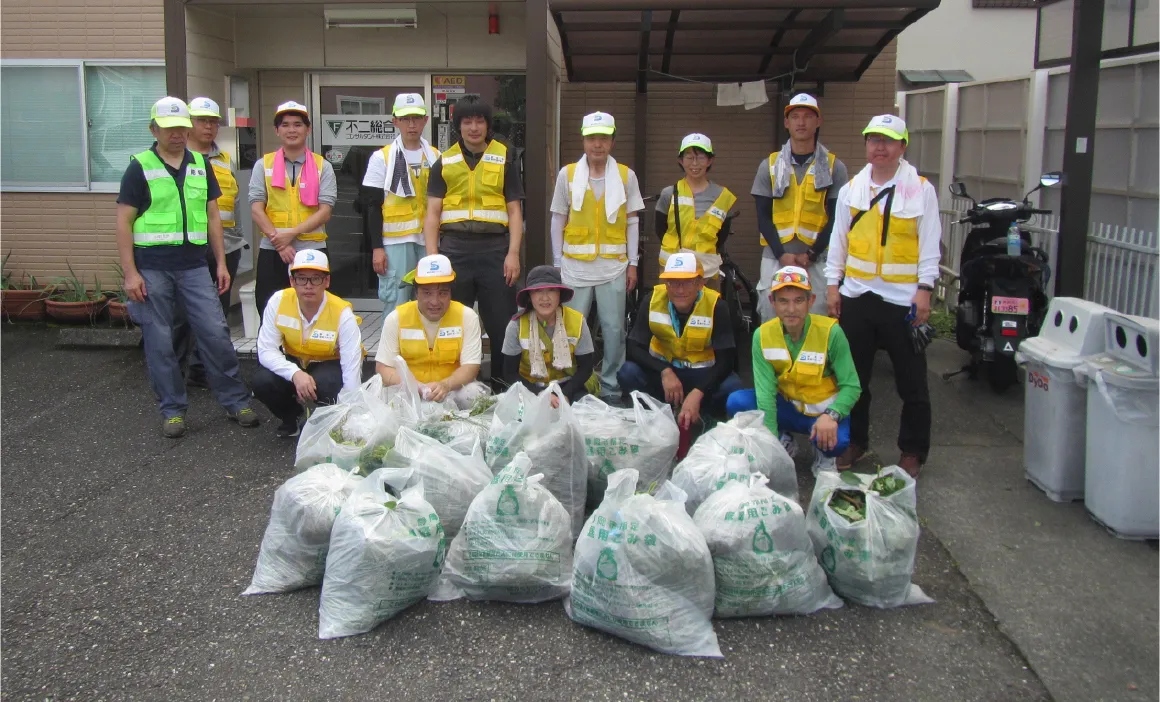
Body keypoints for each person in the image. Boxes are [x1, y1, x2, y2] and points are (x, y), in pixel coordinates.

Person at [115, 96, 259, 438]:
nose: (176, 134)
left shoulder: (199, 163)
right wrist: (130, 272)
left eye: (181, 127)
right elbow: (123, 222)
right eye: (169, 128)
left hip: (195, 265)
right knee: (160, 340)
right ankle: (173, 410)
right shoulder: (140, 166)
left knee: (215, 332)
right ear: (154, 130)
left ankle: (236, 400)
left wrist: (222, 263)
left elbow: (212, 216)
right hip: (152, 267)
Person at [825, 114, 941, 478]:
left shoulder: (921, 189)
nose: (879, 146)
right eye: (873, 139)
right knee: (853, 377)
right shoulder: (852, 189)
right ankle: (856, 441)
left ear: (902, 146)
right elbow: (838, 241)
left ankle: (912, 450)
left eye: (888, 140)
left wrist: (925, 290)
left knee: (912, 380)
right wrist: (833, 285)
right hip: (857, 293)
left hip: (902, 298)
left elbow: (929, 244)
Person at [423, 95, 524, 388]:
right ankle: (460, 386)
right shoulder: (444, 162)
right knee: (455, 323)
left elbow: (515, 210)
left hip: (495, 251)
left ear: (488, 125)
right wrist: (434, 260)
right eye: (467, 121)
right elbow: (432, 214)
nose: (474, 127)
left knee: (501, 324)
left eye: (480, 120)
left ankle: (502, 386)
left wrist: (513, 253)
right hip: (454, 251)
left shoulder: (506, 157)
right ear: (459, 126)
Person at [725, 266, 862, 474]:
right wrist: (770, 445)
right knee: (737, 402)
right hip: (787, 406)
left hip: (821, 410)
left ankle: (824, 455)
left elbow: (851, 386)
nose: (791, 309)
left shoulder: (831, 332)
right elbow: (765, 394)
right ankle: (784, 441)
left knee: (838, 443)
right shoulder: (762, 336)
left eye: (799, 300)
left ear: (811, 301)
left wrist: (832, 416)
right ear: (772, 302)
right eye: (783, 301)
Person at [550, 111, 644, 402]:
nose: (597, 144)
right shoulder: (567, 175)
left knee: (614, 331)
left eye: (603, 138)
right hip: (574, 266)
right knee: (571, 331)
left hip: (613, 267)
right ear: (583, 140)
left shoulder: (627, 176)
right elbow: (557, 219)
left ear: (613, 141)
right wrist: (557, 264)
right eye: (592, 138)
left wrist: (633, 263)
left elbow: (632, 222)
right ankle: (570, 384)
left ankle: (612, 389)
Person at [618, 253, 744, 433]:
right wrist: (664, 370)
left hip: (701, 375)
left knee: (732, 387)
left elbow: (726, 361)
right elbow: (633, 347)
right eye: (673, 282)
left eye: (687, 282)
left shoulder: (717, 306)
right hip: (666, 376)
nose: (679, 289)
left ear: (700, 283)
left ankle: (705, 416)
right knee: (628, 372)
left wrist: (698, 391)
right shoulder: (652, 299)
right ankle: (655, 415)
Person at [753, 93, 849, 321]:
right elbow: (763, 216)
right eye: (795, 117)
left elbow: (837, 218)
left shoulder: (835, 167)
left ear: (818, 121)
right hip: (776, 255)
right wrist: (781, 254)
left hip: (818, 258)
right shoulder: (770, 165)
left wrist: (811, 253)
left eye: (808, 116)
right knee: (771, 315)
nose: (801, 122)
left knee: (817, 317)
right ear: (787, 123)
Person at [174, 96, 246, 388]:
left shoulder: (225, 159)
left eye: (214, 122)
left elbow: (234, 204)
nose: (208, 127)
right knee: (182, 315)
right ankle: (176, 375)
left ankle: (204, 372)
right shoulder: (176, 159)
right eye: (202, 121)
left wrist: (238, 240)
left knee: (217, 315)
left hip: (225, 247)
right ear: (189, 123)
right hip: (186, 249)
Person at [253, 250, 364, 438]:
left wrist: (352, 418)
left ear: (327, 282)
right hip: (295, 361)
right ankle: (292, 418)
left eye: (316, 279)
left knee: (330, 383)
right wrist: (294, 373)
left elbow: (351, 368)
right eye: (302, 279)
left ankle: (328, 421)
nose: (308, 286)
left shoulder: (342, 313)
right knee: (262, 381)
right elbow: (266, 351)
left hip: (329, 364)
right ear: (292, 281)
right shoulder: (278, 301)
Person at [249, 100, 338, 315]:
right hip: (273, 250)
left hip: (312, 249)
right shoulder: (263, 165)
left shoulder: (322, 166)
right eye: (286, 125)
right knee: (270, 308)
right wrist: (279, 242)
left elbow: (325, 211)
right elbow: (256, 208)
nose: (292, 130)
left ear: (308, 129)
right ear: (276, 130)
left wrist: (291, 234)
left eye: (297, 124)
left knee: (315, 310)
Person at [360, 93, 441, 317]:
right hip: (395, 242)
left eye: (416, 118)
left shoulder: (435, 156)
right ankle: (392, 352)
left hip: (429, 240)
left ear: (426, 120)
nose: (411, 124)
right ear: (395, 121)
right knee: (396, 302)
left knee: (430, 301)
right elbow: (372, 206)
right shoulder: (381, 158)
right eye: (405, 118)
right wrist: (377, 248)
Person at [374, 254, 487, 409]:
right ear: (416, 293)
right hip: (409, 391)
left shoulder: (467, 317)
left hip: (451, 390)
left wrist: (446, 385)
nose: (435, 301)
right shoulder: (396, 318)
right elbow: (383, 368)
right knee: (382, 397)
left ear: (450, 293)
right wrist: (415, 386)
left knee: (475, 394)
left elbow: (471, 367)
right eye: (427, 293)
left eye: (442, 293)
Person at [502, 265, 599, 404]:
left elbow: (586, 368)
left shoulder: (577, 321)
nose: (545, 298)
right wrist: (540, 395)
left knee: (585, 413)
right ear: (529, 296)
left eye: (552, 290)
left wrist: (565, 394)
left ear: (560, 294)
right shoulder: (516, 325)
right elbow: (510, 373)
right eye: (538, 291)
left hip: (568, 387)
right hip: (529, 388)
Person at [655, 133, 737, 283]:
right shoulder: (669, 193)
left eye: (700, 157)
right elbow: (660, 229)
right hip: (673, 269)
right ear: (681, 160)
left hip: (707, 271)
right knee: (668, 306)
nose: (695, 163)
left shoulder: (722, 196)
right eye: (689, 157)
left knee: (708, 305)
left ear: (710, 160)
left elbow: (722, 236)